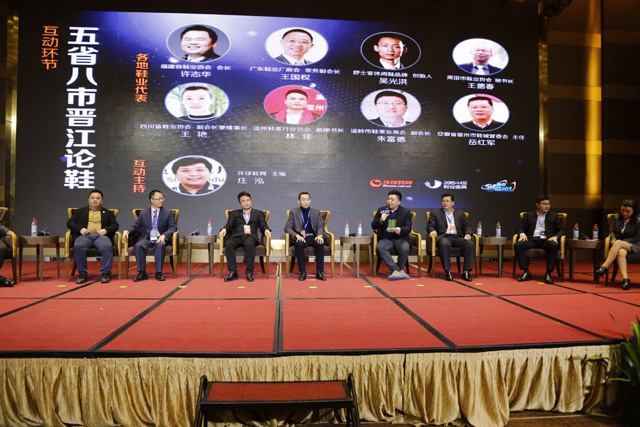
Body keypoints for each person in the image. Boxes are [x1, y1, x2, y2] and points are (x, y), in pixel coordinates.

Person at [122, 190, 177, 282]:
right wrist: (126, 231)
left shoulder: (168, 213)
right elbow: (136, 226)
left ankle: (158, 273)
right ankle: (142, 273)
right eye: (159, 199)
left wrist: (164, 235)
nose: (161, 201)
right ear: (152, 200)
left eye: (162, 198)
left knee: (160, 246)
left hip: (160, 238)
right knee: (138, 245)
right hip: (147, 238)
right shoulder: (144, 213)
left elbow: (173, 227)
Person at [67, 189, 119, 284]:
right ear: (88, 200)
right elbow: (70, 223)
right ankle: (82, 274)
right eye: (92, 198)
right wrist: (80, 229)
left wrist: (106, 230)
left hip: (100, 237)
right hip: (85, 236)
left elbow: (115, 225)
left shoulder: (108, 213)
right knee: (78, 246)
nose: (95, 200)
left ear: (102, 201)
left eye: (98, 198)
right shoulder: (80, 211)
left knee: (107, 246)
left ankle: (105, 273)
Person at [220, 191, 272, 282]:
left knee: (249, 243)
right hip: (237, 236)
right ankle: (233, 272)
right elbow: (229, 225)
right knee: (229, 244)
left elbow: (263, 225)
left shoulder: (258, 213)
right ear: (240, 203)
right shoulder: (234, 213)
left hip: (251, 237)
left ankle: (249, 272)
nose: (246, 202)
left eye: (248, 200)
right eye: (243, 201)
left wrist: (267, 230)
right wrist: (224, 229)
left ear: (251, 201)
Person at [514, 195, 565, 284]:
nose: (547, 206)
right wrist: (522, 234)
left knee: (554, 245)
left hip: (547, 240)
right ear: (537, 205)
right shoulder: (529, 215)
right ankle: (526, 272)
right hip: (532, 239)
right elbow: (520, 228)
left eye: (548, 204)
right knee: (518, 245)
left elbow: (562, 230)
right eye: (544, 204)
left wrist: (555, 237)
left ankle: (548, 273)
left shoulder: (554, 216)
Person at [427, 193, 475, 281]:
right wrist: (432, 230)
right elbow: (430, 225)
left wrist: (468, 234)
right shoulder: (435, 213)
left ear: (453, 203)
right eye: (443, 201)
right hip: (444, 237)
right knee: (444, 243)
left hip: (457, 237)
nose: (445, 203)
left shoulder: (460, 213)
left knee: (470, 244)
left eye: (447, 201)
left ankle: (466, 272)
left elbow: (467, 226)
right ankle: (448, 271)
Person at [595, 199, 640, 290]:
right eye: (622, 210)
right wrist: (613, 239)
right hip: (619, 245)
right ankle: (625, 279)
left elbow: (636, 238)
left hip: (635, 245)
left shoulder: (638, 221)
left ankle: (604, 266)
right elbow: (612, 231)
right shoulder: (617, 217)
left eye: (628, 211)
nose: (624, 213)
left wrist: (621, 242)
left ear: (633, 211)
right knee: (621, 252)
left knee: (618, 244)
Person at [284, 192, 326, 281]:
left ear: (310, 201)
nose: (306, 202)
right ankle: (303, 272)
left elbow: (320, 226)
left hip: (313, 237)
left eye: (307, 199)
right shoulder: (294, 212)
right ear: (298, 201)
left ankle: (319, 272)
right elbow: (287, 228)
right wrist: (296, 235)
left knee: (320, 243)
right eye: (303, 200)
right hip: (301, 237)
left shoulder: (316, 212)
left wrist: (319, 235)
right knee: (299, 244)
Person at [371, 190, 412, 280]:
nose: (389, 201)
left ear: (399, 202)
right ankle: (396, 270)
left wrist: (400, 230)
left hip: (400, 238)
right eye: (388, 199)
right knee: (380, 247)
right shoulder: (382, 210)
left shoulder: (405, 212)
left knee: (404, 247)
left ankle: (400, 269)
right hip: (386, 238)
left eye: (392, 200)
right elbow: (373, 226)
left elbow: (408, 228)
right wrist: (380, 220)